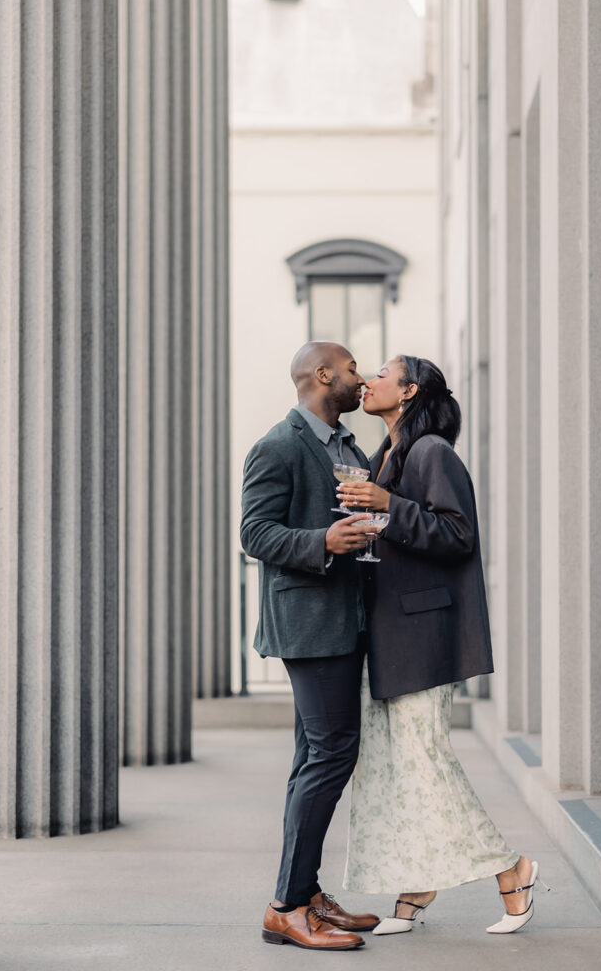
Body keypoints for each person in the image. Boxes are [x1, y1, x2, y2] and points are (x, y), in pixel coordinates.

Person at [337, 355, 544, 937]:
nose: (369, 380)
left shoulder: (431, 452)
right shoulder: (383, 456)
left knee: (425, 761)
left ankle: (512, 870)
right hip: (386, 636)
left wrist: (386, 506)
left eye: (381, 373)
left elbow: (458, 535)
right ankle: (416, 880)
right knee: (390, 767)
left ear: (408, 391)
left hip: (423, 636)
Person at [240, 341, 381, 951]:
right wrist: (323, 541)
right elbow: (254, 532)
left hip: (345, 621)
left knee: (313, 759)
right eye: (352, 369)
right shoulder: (277, 445)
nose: (361, 376)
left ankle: (305, 894)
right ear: (323, 376)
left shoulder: (346, 445)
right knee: (331, 755)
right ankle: (285, 906)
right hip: (308, 626)